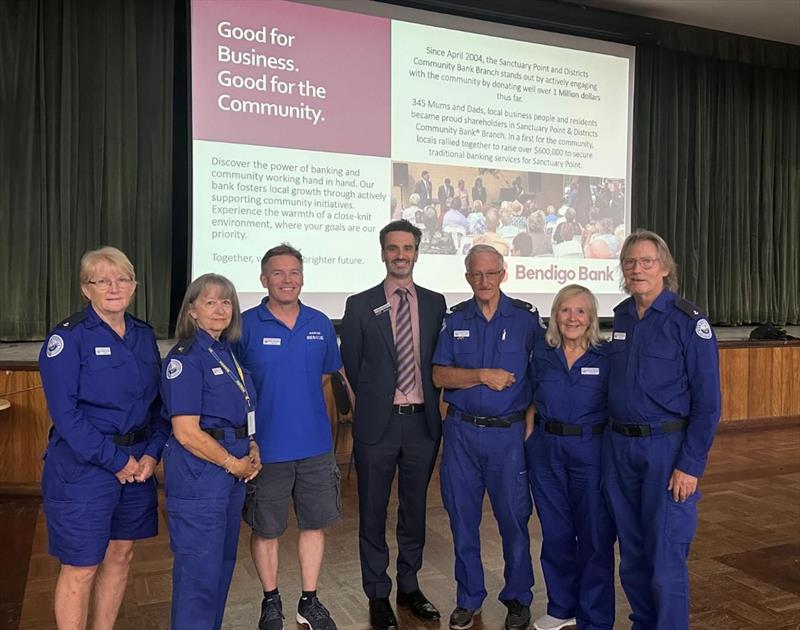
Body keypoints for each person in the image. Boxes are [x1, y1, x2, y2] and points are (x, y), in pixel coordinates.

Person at [39, 246, 169, 630]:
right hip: (85, 469)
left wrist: (152, 454)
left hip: (137, 467)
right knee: (81, 567)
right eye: (102, 280)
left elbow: (158, 406)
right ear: (86, 289)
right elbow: (66, 416)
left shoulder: (143, 335)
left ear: (134, 286)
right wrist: (117, 461)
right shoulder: (68, 338)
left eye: (122, 279)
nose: (114, 287)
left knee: (120, 555)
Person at [604, 230, 721, 630]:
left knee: (665, 557)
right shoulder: (621, 316)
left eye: (646, 262)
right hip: (620, 451)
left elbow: (708, 403)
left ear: (665, 268)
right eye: (630, 262)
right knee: (632, 555)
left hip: (666, 451)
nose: (637, 269)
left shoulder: (688, 322)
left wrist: (690, 465)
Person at [340, 219, 447, 630]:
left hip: (422, 425)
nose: (400, 255)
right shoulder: (359, 304)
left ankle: (409, 586)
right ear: (383, 252)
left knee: (414, 510)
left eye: (407, 248)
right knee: (372, 510)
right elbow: (352, 364)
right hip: (377, 426)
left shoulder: (435, 303)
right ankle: (377, 592)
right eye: (393, 248)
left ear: (417, 252)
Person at [432, 244, 545, 630]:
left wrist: (530, 415)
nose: (484, 280)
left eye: (491, 273)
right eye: (476, 274)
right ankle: (469, 598)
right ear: (468, 277)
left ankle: (518, 597)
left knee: (513, 520)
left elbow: (541, 372)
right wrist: (482, 375)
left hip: (507, 437)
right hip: (462, 434)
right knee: (462, 520)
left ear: (503, 274)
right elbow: (439, 375)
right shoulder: (455, 319)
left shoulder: (525, 319)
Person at [235, 244, 343, 630]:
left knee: (314, 524)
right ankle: (271, 601)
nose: (287, 279)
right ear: (264, 279)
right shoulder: (244, 325)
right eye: (278, 273)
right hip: (265, 450)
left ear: (302, 277)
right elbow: (233, 385)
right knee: (266, 529)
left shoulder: (320, 323)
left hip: (315, 446)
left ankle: (309, 601)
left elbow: (325, 375)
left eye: (294, 272)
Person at [160, 273, 262, 630]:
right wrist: (233, 463)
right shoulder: (186, 358)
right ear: (192, 311)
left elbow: (238, 410)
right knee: (198, 575)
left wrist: (251, 444)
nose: (220, 309)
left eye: (226, 302)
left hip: (230, 472)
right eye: (210, 302)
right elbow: (186, 432)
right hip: (201, 476)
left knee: (221, 567)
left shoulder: (225, 352)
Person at [526, 285, 615, 630]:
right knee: (556, 533)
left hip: (591, 452)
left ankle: (595, 617)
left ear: (591, 317)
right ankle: (561, 607)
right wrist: (530, 427)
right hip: (546, 452)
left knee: (594, 536)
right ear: (555, 315)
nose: (572, 318)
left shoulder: (607, 356)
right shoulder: (542, 353)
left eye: (580, 311)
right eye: (565, 310)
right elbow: (530, 395)